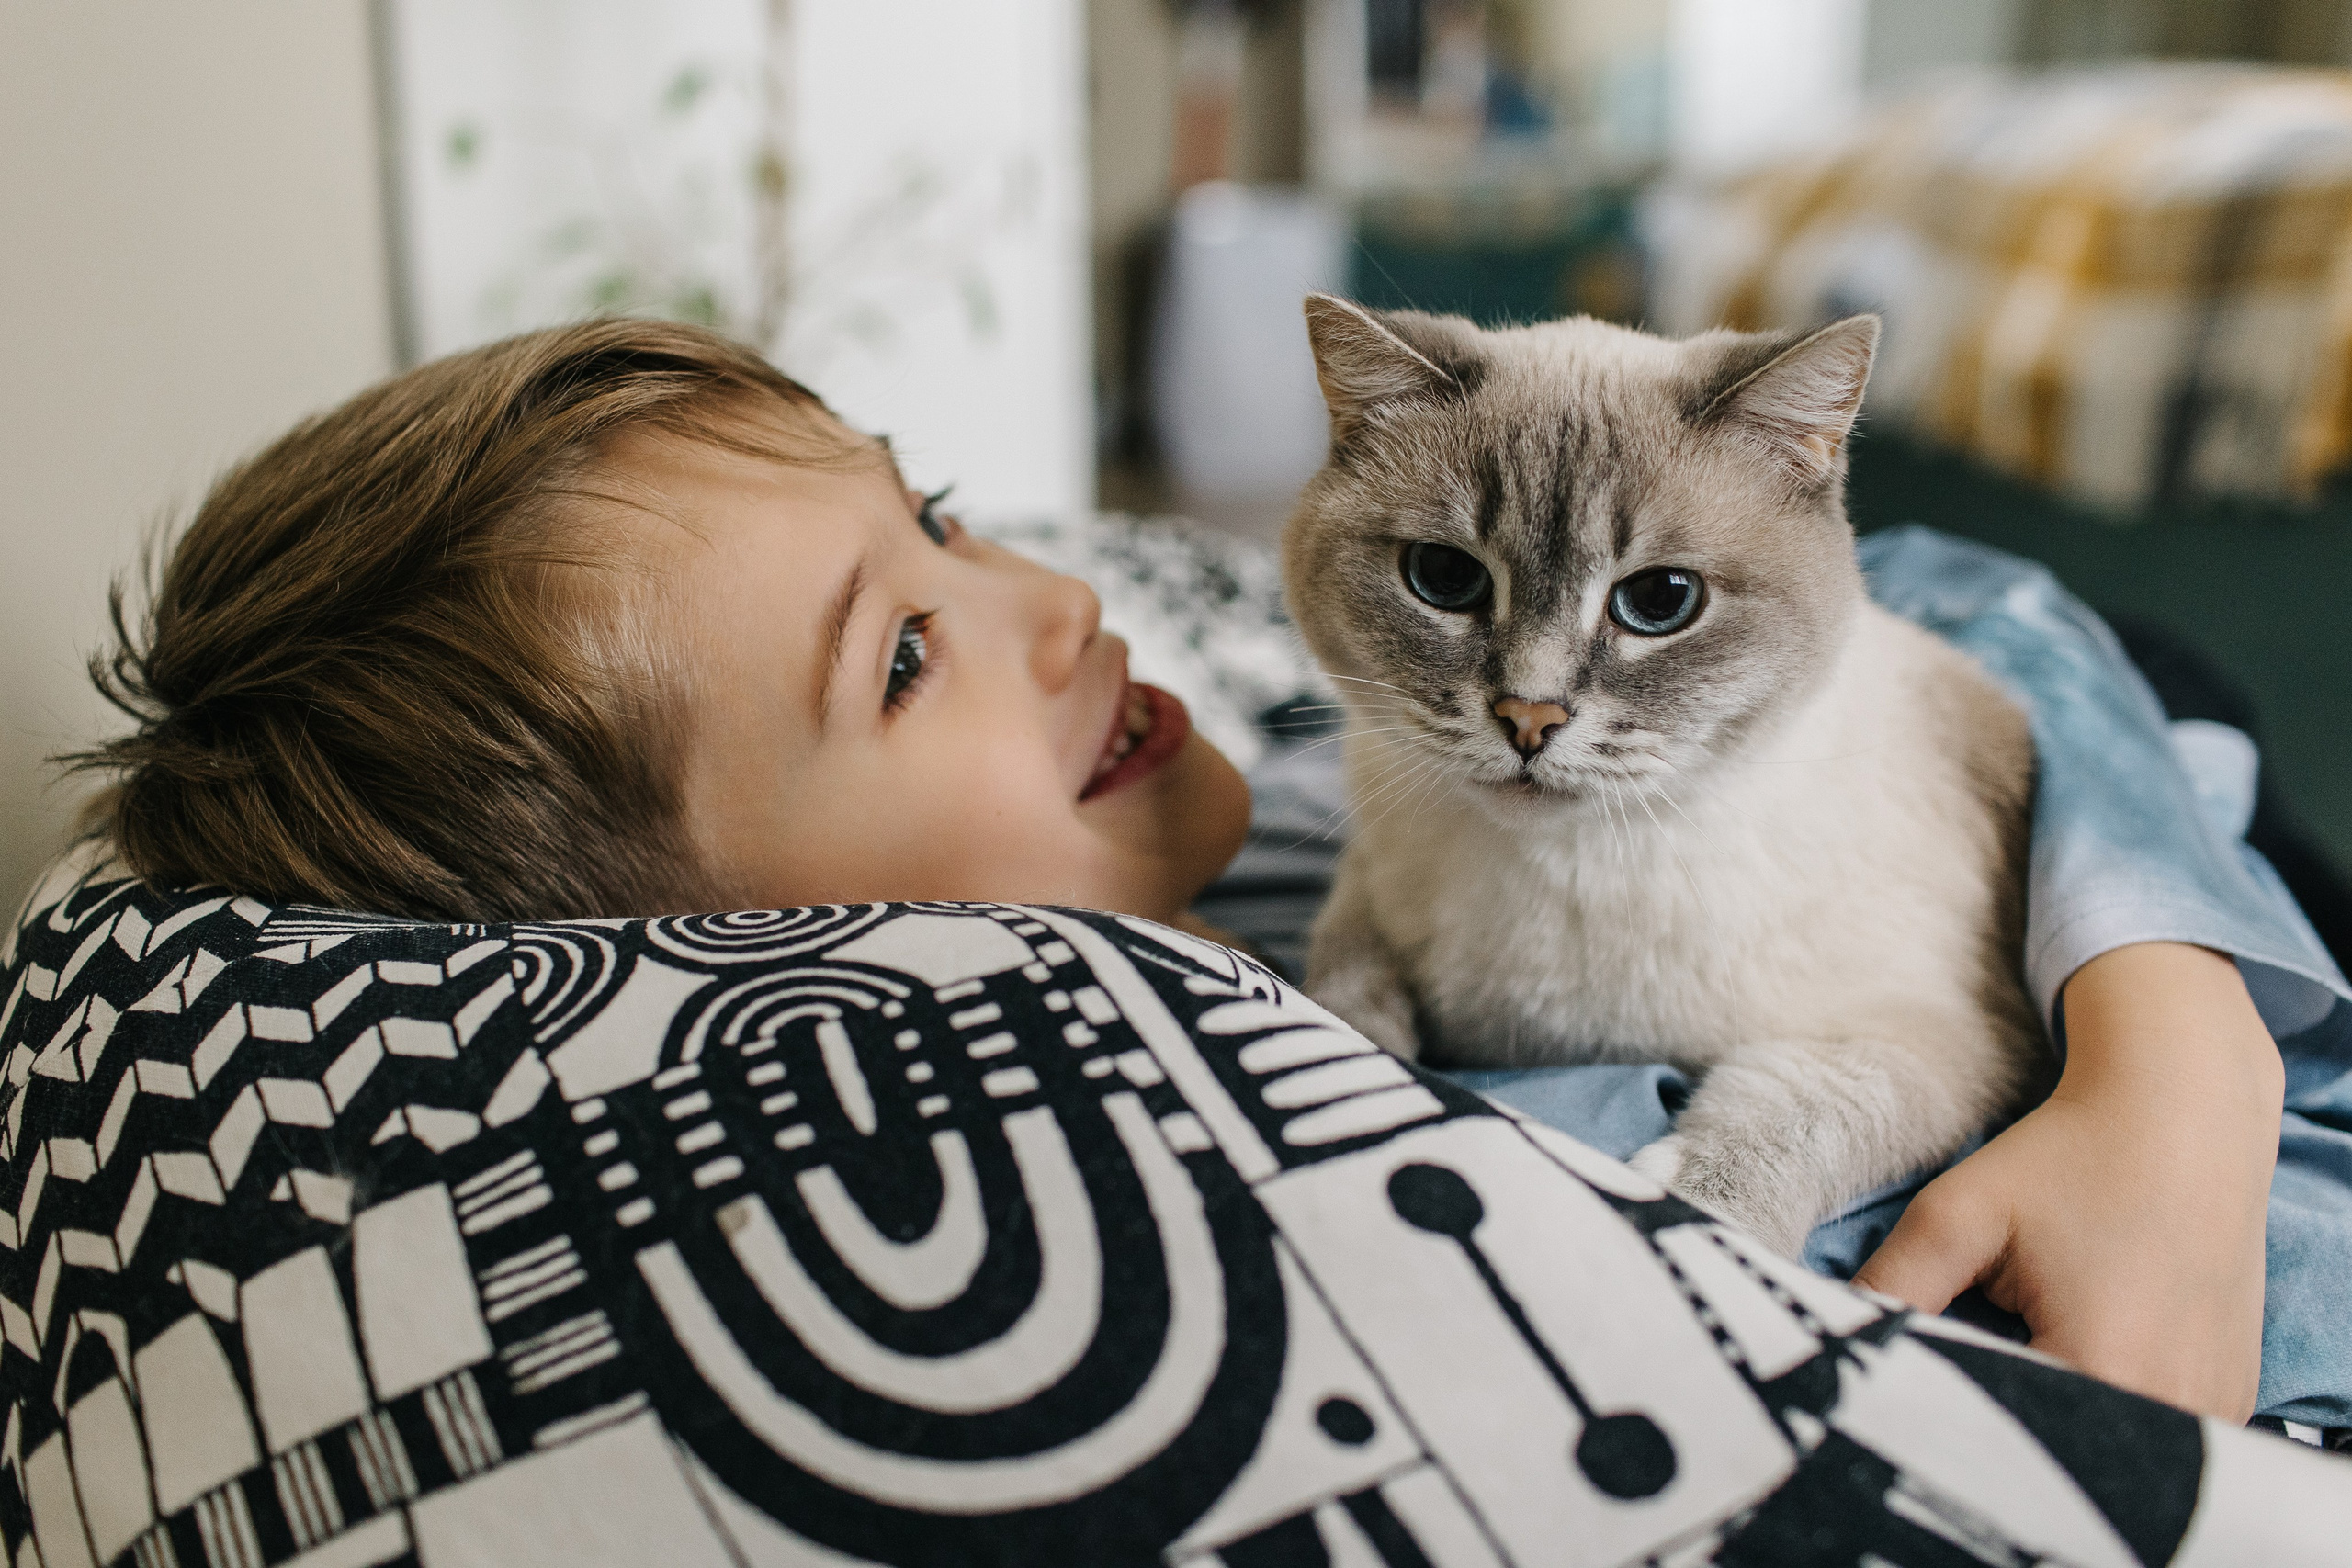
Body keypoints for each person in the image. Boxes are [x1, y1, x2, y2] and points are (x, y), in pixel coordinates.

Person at [67, 317, 2328, 1428]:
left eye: (940, 509)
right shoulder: (1166, 1144)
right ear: (740, 957)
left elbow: (1973, 599)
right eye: (911, 649)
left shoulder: (1257, 772)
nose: (1054, 597)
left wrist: (2170, 1015)